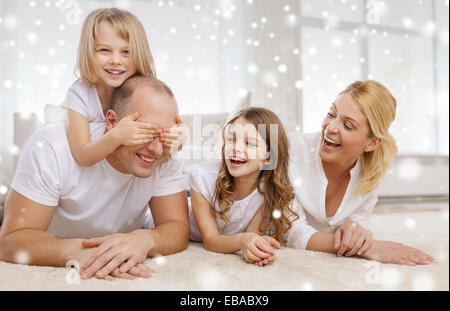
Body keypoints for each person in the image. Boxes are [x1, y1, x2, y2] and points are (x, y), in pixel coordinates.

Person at [0, 76, 189, 281]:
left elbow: (177, 227)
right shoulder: (50, 146)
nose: (156, 149)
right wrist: (77, 251)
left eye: (166, 136)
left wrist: (145, 239)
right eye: (144, 133)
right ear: (111, 122)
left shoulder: (166, 155)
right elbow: (10, 241)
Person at [287, 80, 436, 266]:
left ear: (372, 143)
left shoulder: (371, 171)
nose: (331, 127)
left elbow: (358, 221)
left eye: (348, 126)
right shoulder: (290, 151)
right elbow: (289, 231)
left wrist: (353, 228)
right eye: (331, 114)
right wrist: (366, 248)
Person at [63, 8, 182, 168]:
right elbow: (82, 156)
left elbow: (167, 131)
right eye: (104, 50)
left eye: (126, 52)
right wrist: (116, 136)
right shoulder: (79, 94)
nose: (116, 60)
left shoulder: (142, 91)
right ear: (89, 52)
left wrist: (179, 137)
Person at [188, 107, 299, 267]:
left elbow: (250, 237)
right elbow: (211, 241)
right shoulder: (202, 177)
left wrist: (256, 246)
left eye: (250, 143)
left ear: (268, 157)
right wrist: (243, 240)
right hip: (180, 228)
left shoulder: (268, 191)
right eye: (232, 139)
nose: (236, 148)